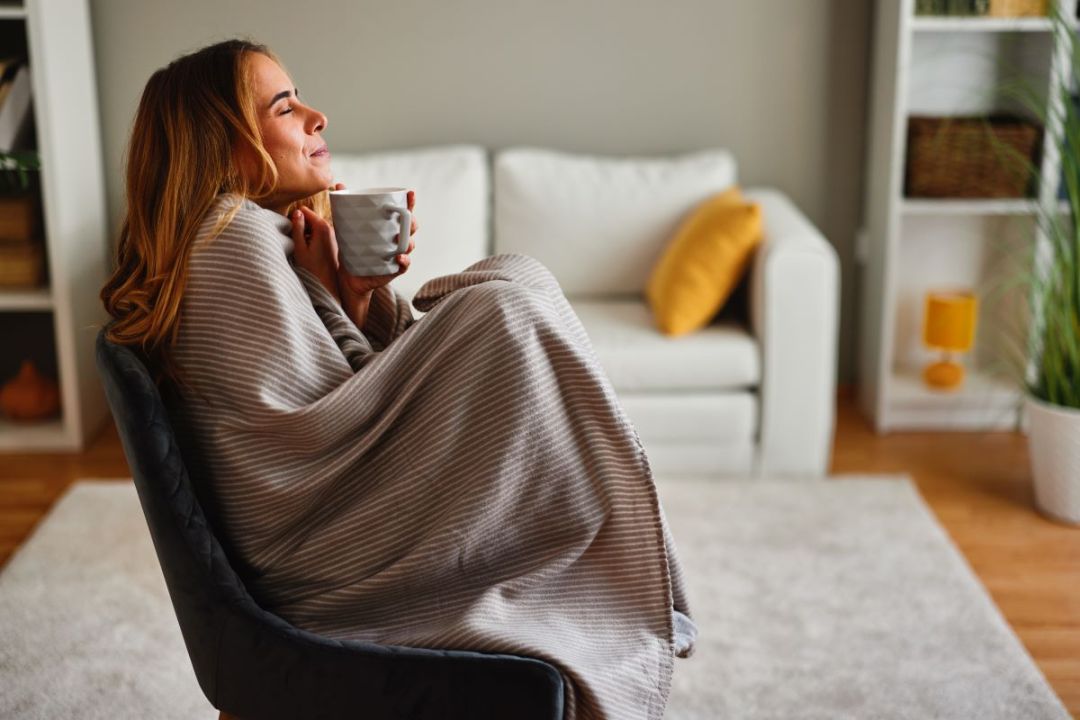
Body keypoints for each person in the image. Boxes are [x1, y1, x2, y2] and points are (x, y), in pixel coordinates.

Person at [100, 39, 695, 720]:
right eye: (285, 107)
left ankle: (605, 570)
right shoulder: (232, 241)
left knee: (508, 292)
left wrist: (348, 298)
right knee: (502, 304)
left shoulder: (250, 237)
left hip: (327, 519)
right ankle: (617, 575)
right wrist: (347, 298)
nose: (317, 117)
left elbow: (341, 397)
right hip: (319, 554)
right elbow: (331, 436)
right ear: (219, 143)